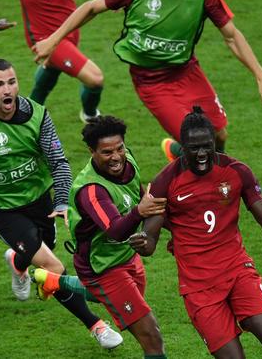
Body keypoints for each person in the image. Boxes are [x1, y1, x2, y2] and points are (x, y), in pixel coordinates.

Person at [33, 0, 262, 159]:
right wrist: (53, 40)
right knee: (195, 143)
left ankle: (190, 158)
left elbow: (232, 36)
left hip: (187, 72)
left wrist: (261, 75)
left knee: (219, 135)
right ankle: (196, 177)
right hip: (151, 82)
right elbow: (90, 8)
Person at [0, 59, 123, 349]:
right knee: (52, 265)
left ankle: (17, 263)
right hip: (1, 207)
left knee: (43, 248)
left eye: (11, 81)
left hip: (40, 199)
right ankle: (96, 325)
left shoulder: (37, 115)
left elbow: (58, 162)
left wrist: (61, 201)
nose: (7, 89)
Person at [129, 106, 262, 358]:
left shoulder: (236, 171)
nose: (201, 154)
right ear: (181, 147)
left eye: (206, 146)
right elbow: (151, 240)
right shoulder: (165, 182)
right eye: (194, 148)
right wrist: (142, 241)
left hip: (238, 271)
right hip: (199, 288)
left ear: (214, 142)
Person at [30, 115, 167, 358]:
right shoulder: (92, 190)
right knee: (152, 337)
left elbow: (138, 194)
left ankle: (52, 281)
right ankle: (55, 281)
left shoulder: (128, 161)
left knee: (105, 297)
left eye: (119, 148)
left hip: (126, 254)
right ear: (92, 151)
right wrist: (139, 211)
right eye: (106, 152)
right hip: (101, 266)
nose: (116, 157)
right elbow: (116, 230)